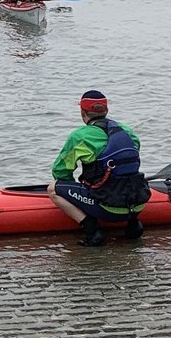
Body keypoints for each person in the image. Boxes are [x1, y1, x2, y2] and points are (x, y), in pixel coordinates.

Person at [50, 88, 148, 246]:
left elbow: (60, 172)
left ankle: (92, 230)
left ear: (83, 113)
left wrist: (78, 191)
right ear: (106, 110)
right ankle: (133, 224)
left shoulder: (79, 137)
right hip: (138, 203)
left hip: (107, 208)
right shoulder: (128, 131)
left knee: (53, 188)